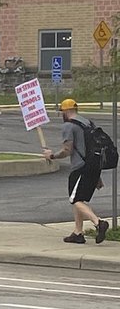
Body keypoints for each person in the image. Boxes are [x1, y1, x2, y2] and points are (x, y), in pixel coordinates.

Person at [44, 98, 111, 244]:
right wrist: (97, 176)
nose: (62, 114)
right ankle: (77, 233)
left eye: (62, 111)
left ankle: (98, 223)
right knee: (79, 199)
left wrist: (52, 156)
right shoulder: (88, 123)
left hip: (80, 168)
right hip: (93, 166)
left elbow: (67, 150)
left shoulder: (69, 126)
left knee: (75, 200)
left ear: (66, 111)